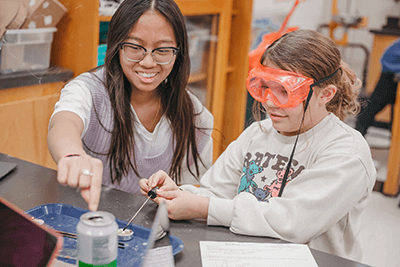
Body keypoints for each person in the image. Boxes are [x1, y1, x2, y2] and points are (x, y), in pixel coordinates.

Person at [140, 29, 376, 262]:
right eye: (265, 87)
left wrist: (203, 207)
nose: (269, 103)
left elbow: (292, 223)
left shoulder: (347, 153)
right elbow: (215, 194)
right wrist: (178, 194)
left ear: (326, 94)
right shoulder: (257, 133)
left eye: (284, 91)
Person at [47, 0, 214, 212]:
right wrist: (72, 155)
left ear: (178, 52)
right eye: (135, 47)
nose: (148, 62)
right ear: (117, 45)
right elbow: (64, 123)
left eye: (162, 50)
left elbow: (187, 193)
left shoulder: (194, 114)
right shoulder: (88, 90)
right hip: (84, 221)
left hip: (148, 231)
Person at [355, 38, 400, 136]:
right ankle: (357, 135)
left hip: (392, 69)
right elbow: (390, 56)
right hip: (391, 73)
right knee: (374, 106)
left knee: (374, 106)